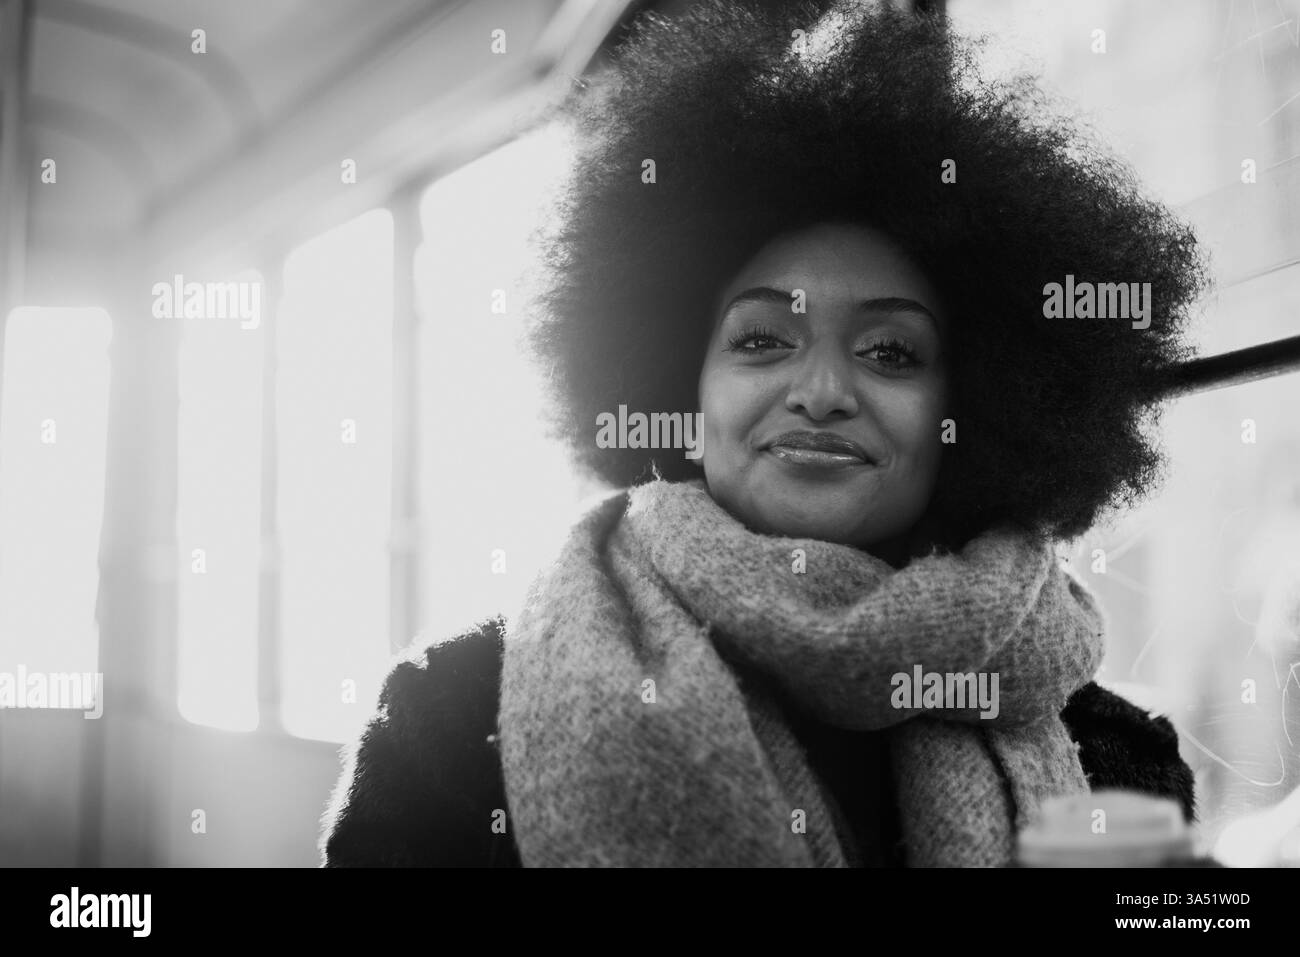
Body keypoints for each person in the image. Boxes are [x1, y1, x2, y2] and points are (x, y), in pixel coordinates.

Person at [319, 0, 1204, 867]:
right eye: (761, 340)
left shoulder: (1121, 762)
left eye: (890, 351)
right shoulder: (455, 718)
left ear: (972, 407)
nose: (820, 391)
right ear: (680, 380)